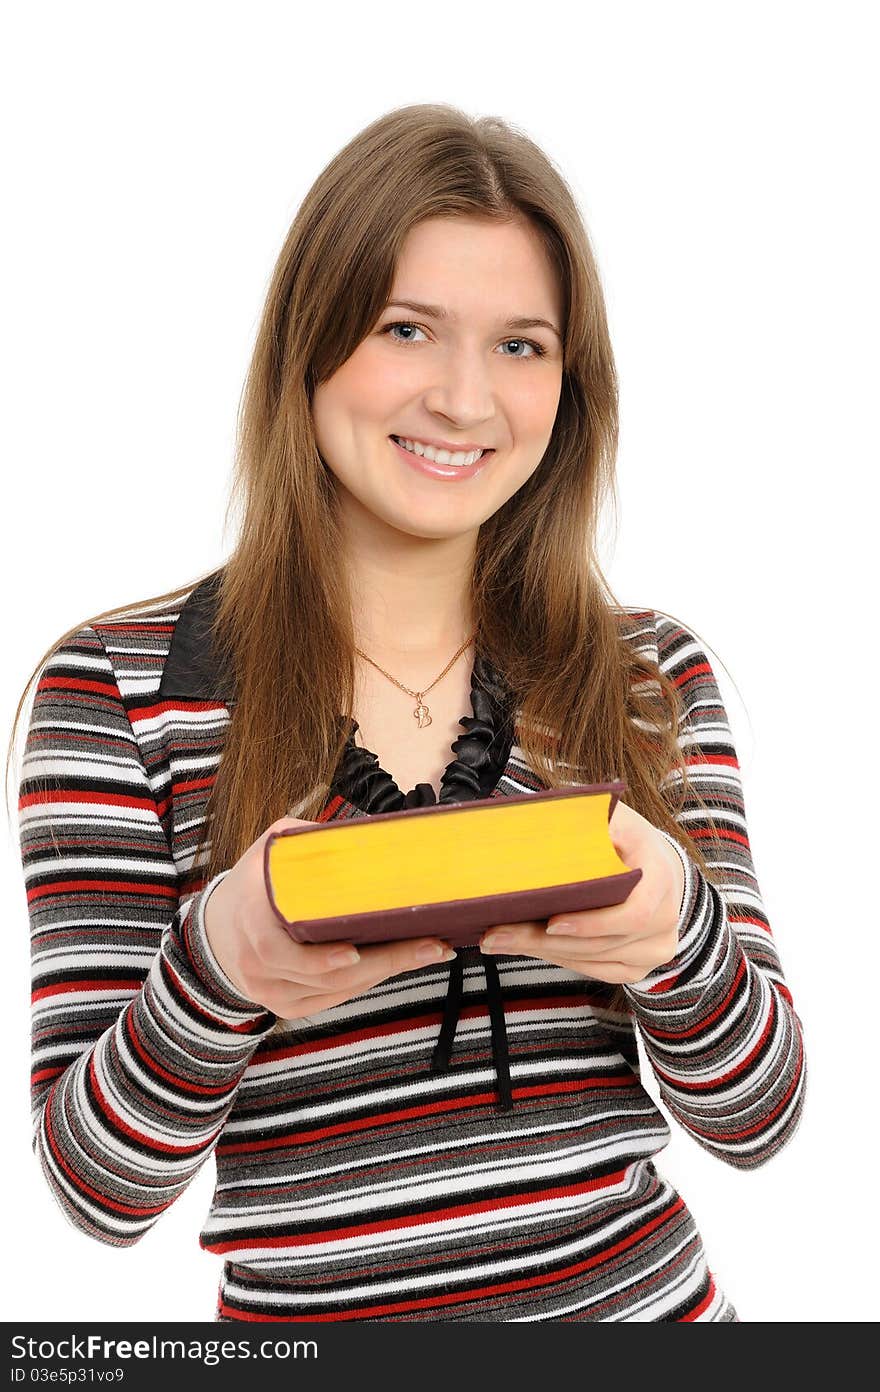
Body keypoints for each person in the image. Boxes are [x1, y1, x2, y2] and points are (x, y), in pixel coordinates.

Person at [11, 103, 806, 1323]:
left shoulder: (645, 675)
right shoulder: (119, 690)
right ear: (311, 345)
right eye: (406, 329)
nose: (462, 400)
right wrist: (221, 962)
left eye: (520, 346)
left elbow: (760, 1120)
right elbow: (97, 1192)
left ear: (569, 382)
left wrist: (675, 942)